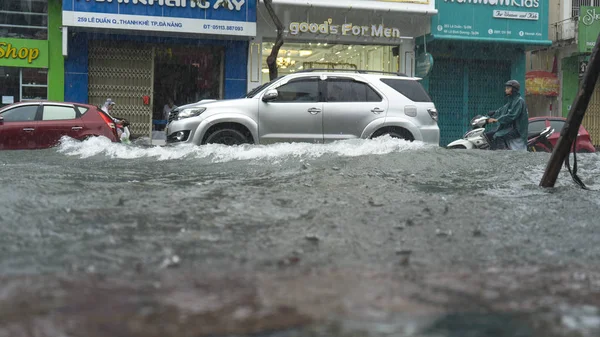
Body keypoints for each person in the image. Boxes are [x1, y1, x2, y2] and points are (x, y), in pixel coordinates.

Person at [485, 80, 529, 150]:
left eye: (508, 88)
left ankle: (503, 155)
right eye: (506, 88)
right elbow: (503, 109)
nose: (506, 90)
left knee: (498, 136)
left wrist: (497, 119)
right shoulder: (512, 100)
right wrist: (493, 113)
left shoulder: (519, 101)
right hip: (510, 127)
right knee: (489, 134)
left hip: (517, 129)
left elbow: (512, 115)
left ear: (513, 89)